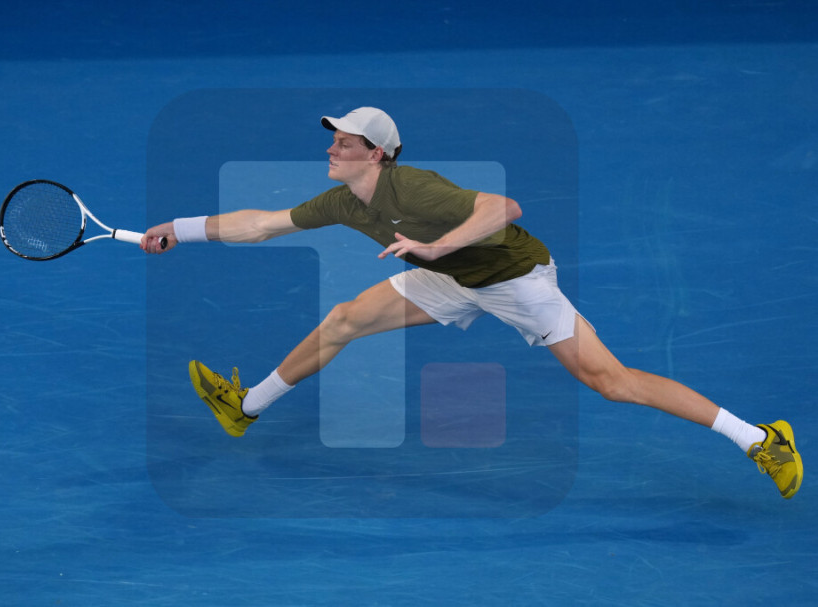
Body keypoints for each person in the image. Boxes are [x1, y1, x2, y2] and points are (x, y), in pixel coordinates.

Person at [141, 106, 803, 499]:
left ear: (377, 154)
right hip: (447, 276)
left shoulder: (416, 189)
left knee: (612, 382)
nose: (330, 147)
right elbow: (261, 223)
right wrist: (181, 227)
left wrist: (436, 247)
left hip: (514, 279)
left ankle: (761, 439)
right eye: (333, 138)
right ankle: (245, 408)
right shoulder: (344, 201)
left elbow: (504, 207)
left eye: (343, 141)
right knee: (343, 320)